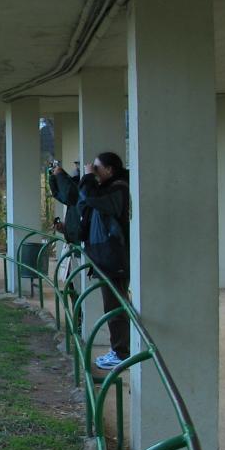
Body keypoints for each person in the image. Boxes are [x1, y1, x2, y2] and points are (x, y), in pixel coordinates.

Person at [77, 152, 131, 370]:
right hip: (108, 259)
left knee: (115, 305)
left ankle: (121, 353)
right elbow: (81, 201)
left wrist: (88, 178)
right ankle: (120, 350)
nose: (94, 172)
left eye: (97, 168)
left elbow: (90, 199)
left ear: (109, 169)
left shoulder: (119, 189)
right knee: (113, 304)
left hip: (114, 260)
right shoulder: (111, 188)